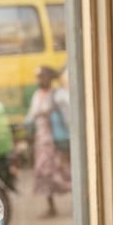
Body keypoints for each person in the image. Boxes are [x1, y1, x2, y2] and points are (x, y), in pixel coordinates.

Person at [24, 65, 72, 216]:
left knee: (64, 172)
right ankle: (51, 206)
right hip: (42, 141)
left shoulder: (58, 95)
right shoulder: (37, 95)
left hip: (55, 141)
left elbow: (68, 117)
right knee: (45, 173)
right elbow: (31, 116)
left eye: (41, 76)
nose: (39, 80)